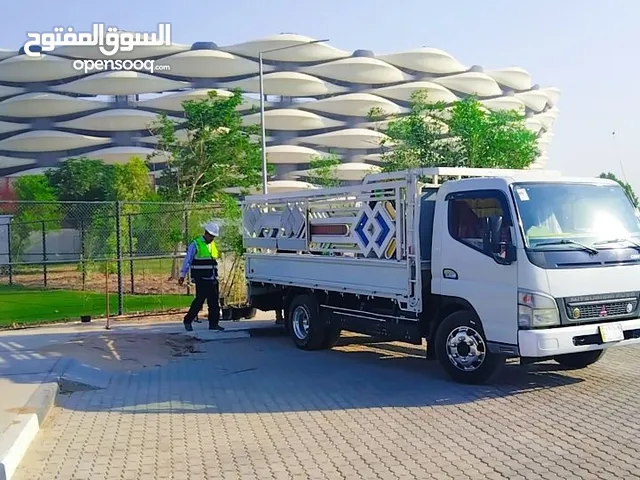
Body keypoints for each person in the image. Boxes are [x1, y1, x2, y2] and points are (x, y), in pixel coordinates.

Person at [179, 222, 224, 332]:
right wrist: (182, 275)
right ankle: (188, 320)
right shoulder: (196, 244)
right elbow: (187, 260)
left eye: (214, 236)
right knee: (199, 301)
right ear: (206, 233)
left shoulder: (212, 245)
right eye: (211, 236)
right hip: (202, 279)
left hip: (212, 278)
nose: (212, 238)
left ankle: (213, 324)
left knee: (214, 303)